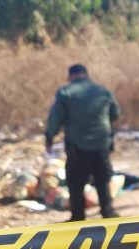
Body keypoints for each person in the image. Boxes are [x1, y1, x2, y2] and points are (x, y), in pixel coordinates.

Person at [45, 64, 121, 221]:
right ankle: (107, 212)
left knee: (75, 181)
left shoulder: (65, 92)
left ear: (70, 77)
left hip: (77, 145)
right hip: (101, 143)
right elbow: (115, 113)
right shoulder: (103, 91)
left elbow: (55, 119)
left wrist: (49, 137)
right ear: (86, 75)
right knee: (102, 178)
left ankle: (78, 216)